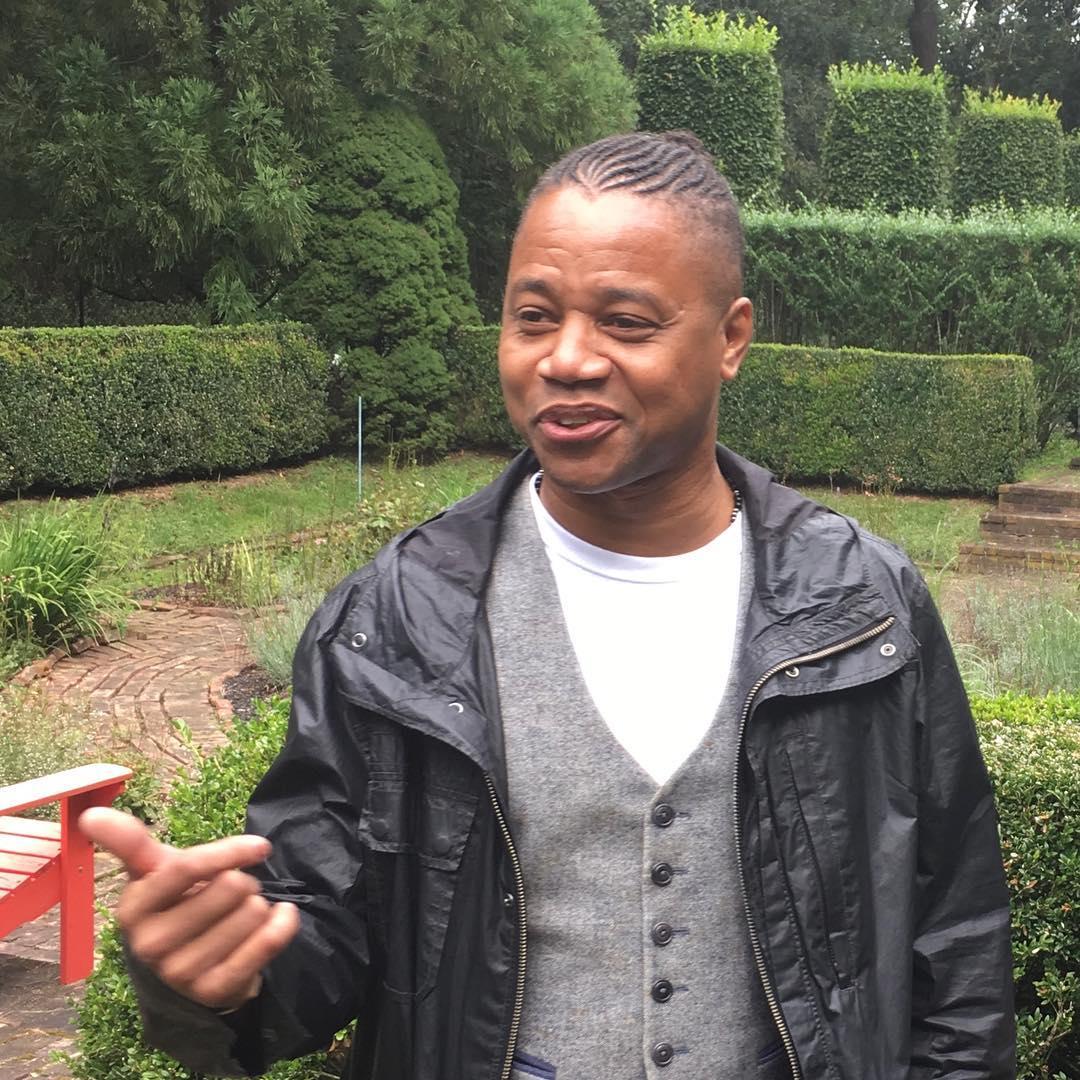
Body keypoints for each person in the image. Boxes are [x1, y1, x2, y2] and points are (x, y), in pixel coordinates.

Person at [80, 131, 1015, 1080]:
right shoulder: (398, 619)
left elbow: (957, 939)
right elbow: (321, 929)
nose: (566, 360)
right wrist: (214, 977)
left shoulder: (863, 606)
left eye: (626, 322)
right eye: (533, 316)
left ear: (731, 337)